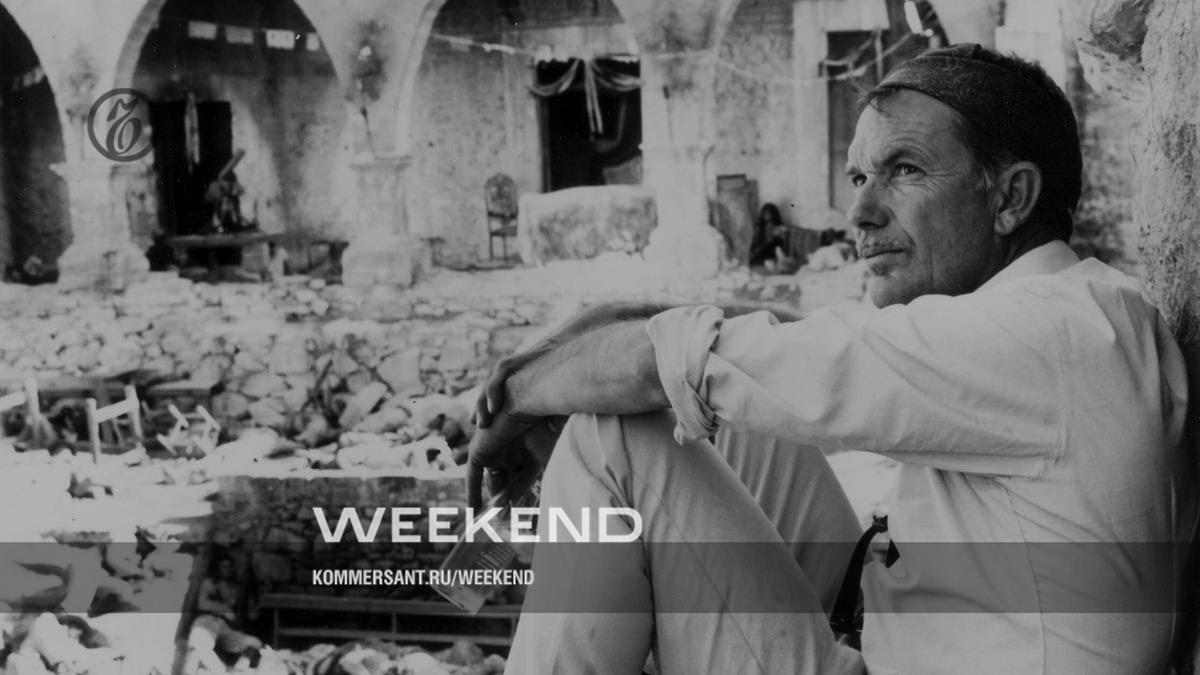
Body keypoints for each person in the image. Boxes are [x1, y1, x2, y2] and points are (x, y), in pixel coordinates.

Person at [467, 43, 1197, 674]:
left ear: (1010, 197)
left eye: (903, 170)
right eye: (858, 178)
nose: (861, 212)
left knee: (617, 434)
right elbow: (776, 342)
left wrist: (525, 393)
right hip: (889, 618)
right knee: (698, 404)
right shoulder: (1078, 309)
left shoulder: (1034, 338)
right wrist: (569, 346)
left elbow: (687, 361)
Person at [747, 203, 797, 272]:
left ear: (774, 214)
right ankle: (755, 260)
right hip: (761, 250)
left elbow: (778, 242)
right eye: (765, 214)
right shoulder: (760, 227)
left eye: (769, 214)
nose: (767, 216)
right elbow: (755, 241)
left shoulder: (779, 227)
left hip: (772, 251)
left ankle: (756, 260)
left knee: (775, 241)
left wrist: (774, 236)